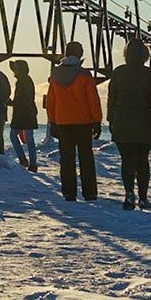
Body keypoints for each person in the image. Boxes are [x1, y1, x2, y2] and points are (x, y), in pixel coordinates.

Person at [105, 38, 151, 210]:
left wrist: (111, 120)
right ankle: (143, 197)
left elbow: (111, 99)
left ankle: (129, 194)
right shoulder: (148, 74)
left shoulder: (118, 72)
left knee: (127, 160)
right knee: (142, 161)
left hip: (122, 122)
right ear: (145, 54)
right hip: (145, 123)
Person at [43, 41, 103, 202]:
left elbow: (51, 102)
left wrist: (52, 121)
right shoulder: (84, 75)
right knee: (86, 158)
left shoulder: (55, 75)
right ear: (79, 54)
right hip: (83, 122)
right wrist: (97, 120)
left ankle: (69, 192)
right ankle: (89, 192)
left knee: (66, 159)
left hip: (63, 122)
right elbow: (93, 100)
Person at [8, 60, 40, 170]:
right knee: (28, 138)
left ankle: (25, 160)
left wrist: (11, 103)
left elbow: (23, 99)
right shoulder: (26, 80)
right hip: (27, 112)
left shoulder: (23, 81)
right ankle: (31, 162)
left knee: (16, 136)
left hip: (23, 113)